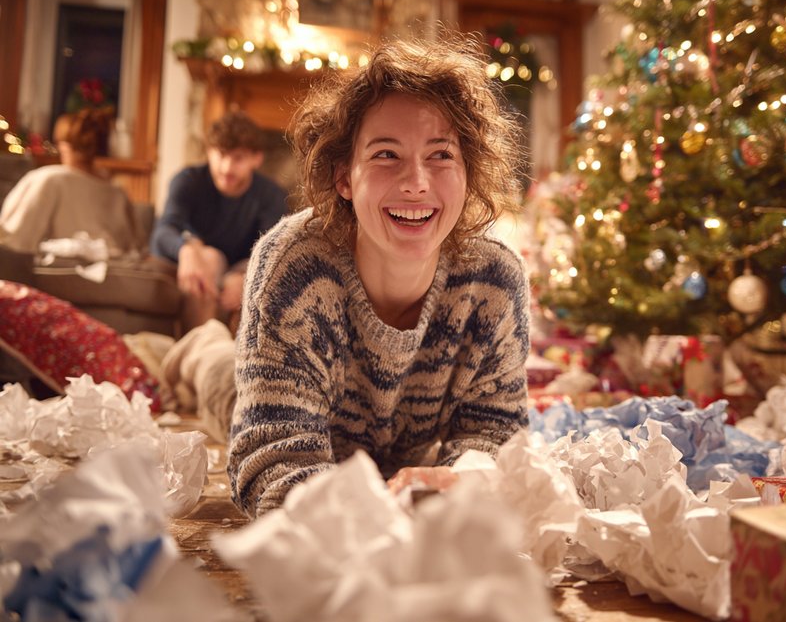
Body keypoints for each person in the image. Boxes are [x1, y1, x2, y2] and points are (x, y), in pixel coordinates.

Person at [163, 34, 530, 518]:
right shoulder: (293, 266)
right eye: (385, 155)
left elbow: (495, 436)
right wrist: (374, 518)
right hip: (269, 397)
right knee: (218, 376)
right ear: (343, 177)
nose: (417, 182)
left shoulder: (495, 283)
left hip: (392, 454)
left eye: (441, 155)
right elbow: (271, 463)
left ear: (469, 170)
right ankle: (199, 346)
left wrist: (460, 482)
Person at [150, 111, 289, 332]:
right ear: (209, 151)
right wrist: (186, 250)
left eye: (238, 158)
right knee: (209, 258)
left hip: (242, 265)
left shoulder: (271, 195)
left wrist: (245, 277)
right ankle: (202, 354)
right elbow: (163, 230)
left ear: (257, 158)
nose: (226, 168)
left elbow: (274, 249)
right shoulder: (188, 180)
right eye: (221, 155)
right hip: (201, 260)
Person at [0, 108, 145, 255]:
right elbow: (138, 247)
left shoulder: (49, 179)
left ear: (64, 145)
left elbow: (14, 241)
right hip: (118, 275)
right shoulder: (117, 192)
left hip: (57, 274)